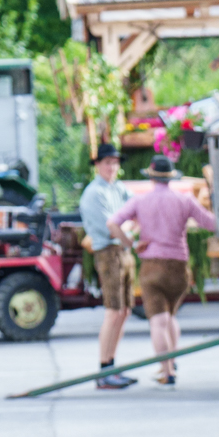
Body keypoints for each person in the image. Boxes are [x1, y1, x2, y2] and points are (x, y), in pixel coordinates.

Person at [107, 155, 215, 388]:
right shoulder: (184, 200)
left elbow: (112, 223)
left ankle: (167, 371)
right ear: (170, 177)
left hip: (152, 267)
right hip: (179, 267)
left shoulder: (140, 201)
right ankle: (172, 363)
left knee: (158, 321)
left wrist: (131, 244)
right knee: (171, 317)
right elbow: (211, 224)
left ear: (152, 177)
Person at [79, 143, 136, 389]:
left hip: (122, 251)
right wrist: (129, 234)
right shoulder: (94, 193)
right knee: (113, 311)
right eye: (107, 163)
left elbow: (134, 213)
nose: (112, 167)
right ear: (97, 165)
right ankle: (104, 369)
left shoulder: (118, 188)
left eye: (114, 162)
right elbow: (112, 228)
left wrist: (126, 231)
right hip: (108, 253)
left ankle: (113, 365)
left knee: (124, 311)